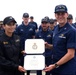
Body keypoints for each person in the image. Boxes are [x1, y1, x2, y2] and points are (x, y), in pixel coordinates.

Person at [44, 4, 76, 75]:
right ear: (55, 15)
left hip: (67, 69)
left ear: (67, 14)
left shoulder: (71, 31)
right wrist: (48, 46)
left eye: (62, 14)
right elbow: (58, 46)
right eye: (58, 14)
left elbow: (71, 54)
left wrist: (55, 65)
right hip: (56, 68)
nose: (60, 16)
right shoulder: (56, 29)